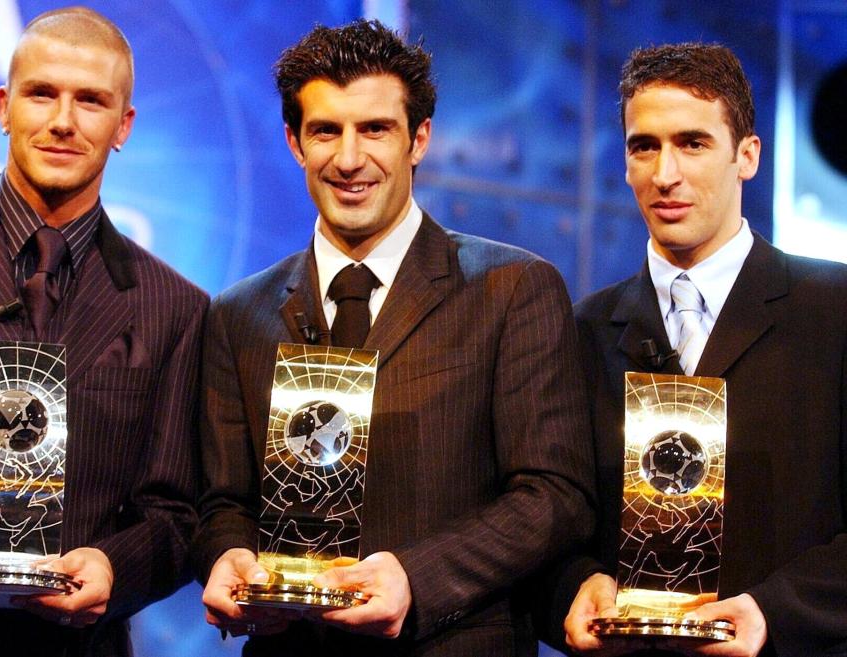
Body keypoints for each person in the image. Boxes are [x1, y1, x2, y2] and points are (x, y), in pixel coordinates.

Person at [193, 19, 595, 657]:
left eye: (375, 129)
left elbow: (555, 496)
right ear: (295, 143)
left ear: (420, 139)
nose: (350, 159)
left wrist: (414, 577)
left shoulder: (514, 288)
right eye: (326, 130)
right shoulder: (237, 313)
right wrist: (228, 557)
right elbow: (224, 500)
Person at [0, 7, 207, 656]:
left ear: (124, 126)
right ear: (4, 106)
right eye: (42, 93)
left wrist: (115, 568)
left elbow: (177, 516)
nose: (63, 121)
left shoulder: (176, 308)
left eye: (91, 101)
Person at [546, 43, 847, 657]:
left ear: (747, 155)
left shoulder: (834, 311)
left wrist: (775, 613)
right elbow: (548, 517)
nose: (665, 174)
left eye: (693, 143)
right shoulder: (578, 331)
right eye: (643, 146)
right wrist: (572, 589)